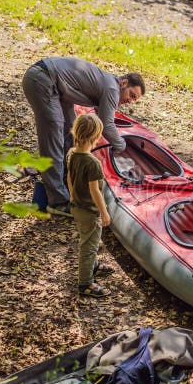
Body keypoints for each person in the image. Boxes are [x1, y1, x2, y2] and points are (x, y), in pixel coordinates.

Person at [22, 57, 145, 216]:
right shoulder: (113, 89)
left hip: (55, 86)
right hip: (43, 80)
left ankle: (63, 182)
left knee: (71, 133)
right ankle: (57, 202)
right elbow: (107, 126)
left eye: (134, 99)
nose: (130, 100)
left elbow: (100, 120)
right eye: (132, 95)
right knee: (53, 141)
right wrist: (122, 146)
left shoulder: (108, 83)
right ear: (124, 83)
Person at [67, 113, 114, 297]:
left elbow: (69, 178)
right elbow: (95, 191)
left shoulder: (71, 154)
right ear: (95, 137)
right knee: (89, 247)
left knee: (88, 240)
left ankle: (93, 266)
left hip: (77, 207)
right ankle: (85, 283)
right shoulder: (93, 163)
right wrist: (104, 213)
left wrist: (72, 197)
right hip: (89, 212)